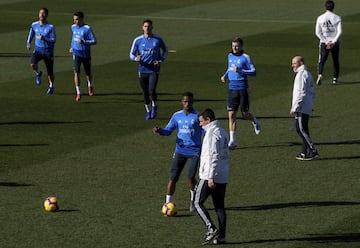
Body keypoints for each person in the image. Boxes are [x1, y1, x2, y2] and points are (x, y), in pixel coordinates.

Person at [153, 92, 202, 212]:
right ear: (182, 102)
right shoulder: (176, 116)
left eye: (190, 101)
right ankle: (167, 203)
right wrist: (160, 131)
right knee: (173, 178)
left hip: (194, 152)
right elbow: (168, 130)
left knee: (191, 177)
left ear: (193, 102)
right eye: (185, 101)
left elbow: (205, 131)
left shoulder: (198, 116)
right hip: (180, 151)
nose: (187, 104)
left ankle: (193, 201)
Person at [194, 108, 229, 245]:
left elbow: (213, 156)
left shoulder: (211, 134)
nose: (200, 124)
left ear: (208, 120)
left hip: (210, 176)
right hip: (223, 175)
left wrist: (210, 177)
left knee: (196, 203)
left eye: (201, 122)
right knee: (219, 206)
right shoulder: (222, 131)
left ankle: (211, 228)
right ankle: (222, 237)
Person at [220, 37, 261, 149]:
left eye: (237, 46)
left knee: (244, 114)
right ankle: (233, 141)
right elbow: (229, 68)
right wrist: (225, 75)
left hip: (242, 88)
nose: (235, 48)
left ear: (241, 46)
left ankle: (254, 120)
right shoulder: (230, 56)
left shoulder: (246, 58)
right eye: (233, 46)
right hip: (231, 88)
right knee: (231, 115)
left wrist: (241, 71)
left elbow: (254, 71)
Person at [130, 19, 168, 120]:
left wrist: (161, 60)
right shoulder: (138, 40)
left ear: (152, 28)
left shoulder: (157, 39)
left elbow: (165, 50)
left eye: (149, 26)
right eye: (145, 26)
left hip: (154, 69)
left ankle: (154, 106)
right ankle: (148, 110)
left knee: (152, 90)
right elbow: (131, 54)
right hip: (142, 69)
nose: (147, 28)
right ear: (142, 28)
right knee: (145, 91)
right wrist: (135, 58)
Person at [290, 56, 319, 161]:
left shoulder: (302, 75)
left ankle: (313, 151)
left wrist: (295, 107)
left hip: (302, 107)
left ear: (300, 63)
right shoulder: (306, 73)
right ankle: (303, 152)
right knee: (301, 129)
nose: (292, 65)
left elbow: (302, 93)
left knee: (301, 129)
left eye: (294, 63)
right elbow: (312, 92)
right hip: (305, 105)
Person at [26, 7, 56, 95]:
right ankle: (38, 73)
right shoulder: (34, 25)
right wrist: (28, 42)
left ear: (46, 15)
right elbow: (31, 33)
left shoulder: (50, 27)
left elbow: (53, 40)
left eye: (43, 13)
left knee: (50, 72)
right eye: (40, 13)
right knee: (32, 64)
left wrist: (44, 38)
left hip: (48, 52)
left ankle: (51, 85)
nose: (41, 15)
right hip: (38, 50)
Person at [70, 11, 97, 102]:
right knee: (76, 72)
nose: (75, 21)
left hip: (85, 54)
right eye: (74, 19)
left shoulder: (87, 29)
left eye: (77, 19)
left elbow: (94, 41)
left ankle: (90, 85)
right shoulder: (73, 27)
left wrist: (84, 42)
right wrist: (71, 47)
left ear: (81, 19)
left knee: (88, 73)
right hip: (76, 53)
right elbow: (73, 37)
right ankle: (78, 92)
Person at [315, 0, 342, 85]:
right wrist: (333, 42)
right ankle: (335, 79)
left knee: (321, 61)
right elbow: (339, 31)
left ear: (325, 7)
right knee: (335, 61)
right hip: (335, 42)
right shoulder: (337, 17)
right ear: (333, 7)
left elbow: (317, 32)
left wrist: (326, 42)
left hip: (324, 42)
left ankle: (320, 74)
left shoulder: (320, 18)